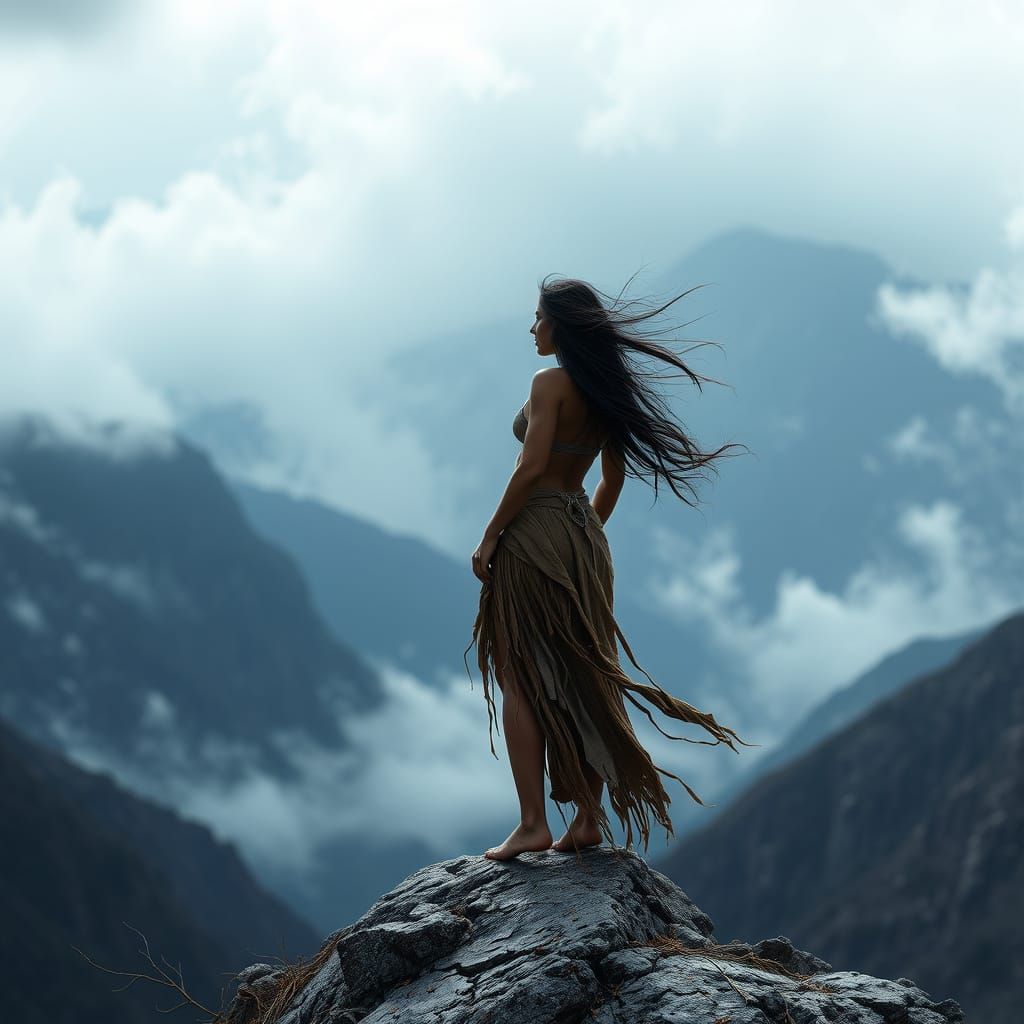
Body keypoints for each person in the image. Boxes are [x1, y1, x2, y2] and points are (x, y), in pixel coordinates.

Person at [464, 274, 755, 862]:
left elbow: (530, 467)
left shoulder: (548, 384)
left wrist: (491, 536)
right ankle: (588, 819)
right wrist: (580, 536)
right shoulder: (607, 389)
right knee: (588, 669)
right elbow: (612, 480)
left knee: (518, 673)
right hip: (586, 538)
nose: (532, 328)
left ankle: (532, 823)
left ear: (560, 324)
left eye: (539, 317)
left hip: (536, 530)